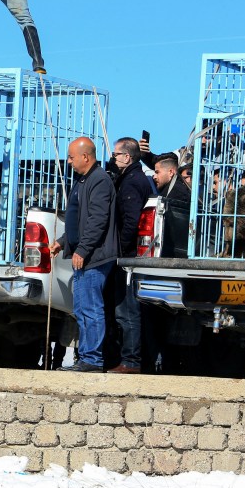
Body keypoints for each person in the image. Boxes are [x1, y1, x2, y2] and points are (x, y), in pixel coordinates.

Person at [50, 137, 117, 372]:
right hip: (84, 255)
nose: (68, 161)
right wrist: (62, 242)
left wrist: (83, 249)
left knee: (90, 307)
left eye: (71, 156)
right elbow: (78, 221)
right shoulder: (82, 180)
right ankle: (86, 357)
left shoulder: (99, 180)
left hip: (94, 257)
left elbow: (98, 220)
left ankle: (93, 359)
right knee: (80, 308)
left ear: (85, 157)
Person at [107, 138, 155, 374]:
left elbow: (130, 221)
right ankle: (131, 359)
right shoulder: (134, 179)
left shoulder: (131, 183)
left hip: (128, 257)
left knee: (127, 311)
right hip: (129, 254)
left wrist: (121, 250)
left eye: (115, 155)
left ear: (127, 157)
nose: (113, 159)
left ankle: (131, 361)